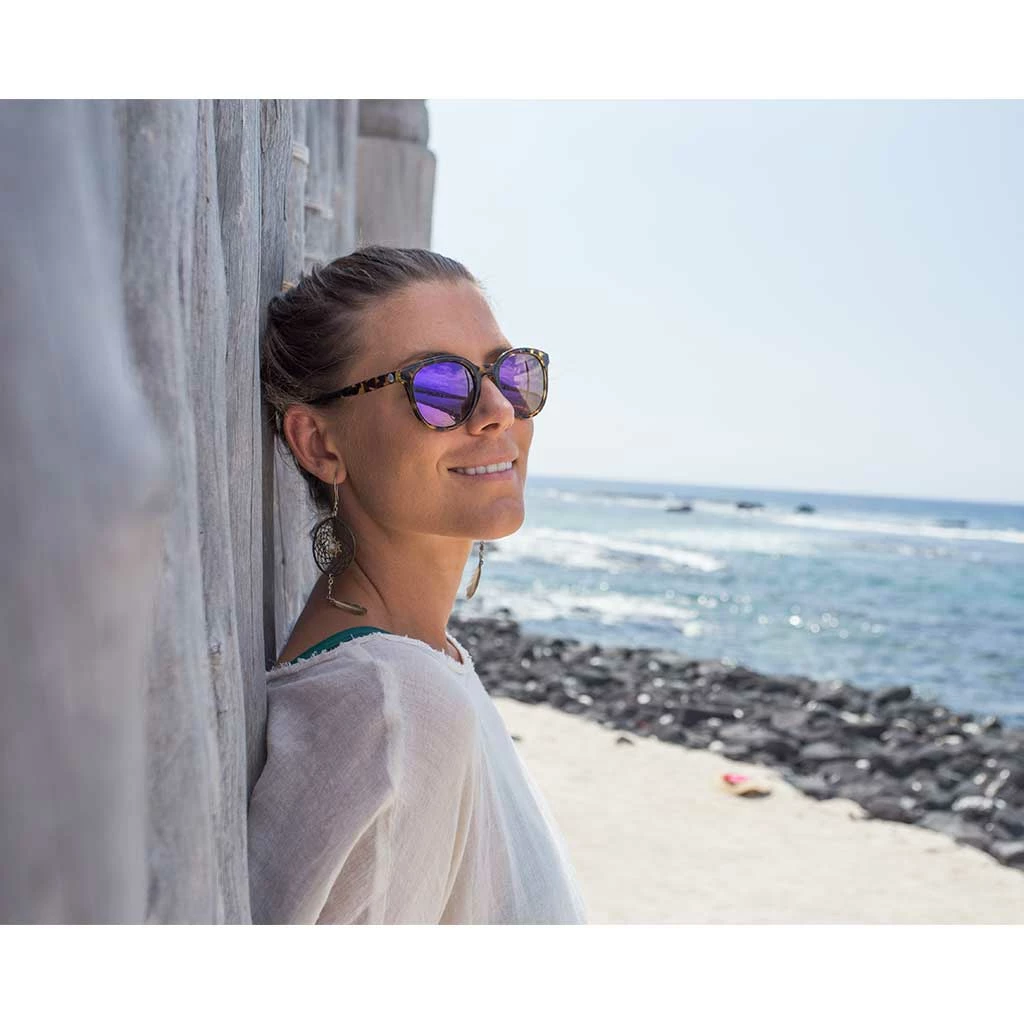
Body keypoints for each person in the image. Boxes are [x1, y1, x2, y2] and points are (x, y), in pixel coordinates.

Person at [247, 245, 588, 924]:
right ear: (320, 444)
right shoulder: (394, 708)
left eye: (510, 373)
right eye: (438, 387)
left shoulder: (426, 669)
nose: (499, 410)